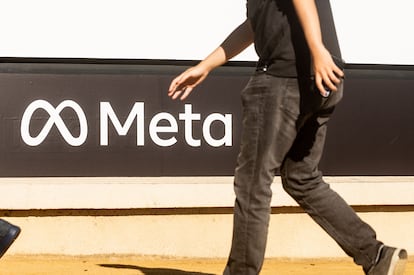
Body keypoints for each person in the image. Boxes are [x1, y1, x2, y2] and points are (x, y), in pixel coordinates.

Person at [168, 0, 407, 274]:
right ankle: (375, 256)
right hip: (321, 79)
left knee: (252, 183)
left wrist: (317, 50)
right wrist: (206, 66)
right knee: (301, 177)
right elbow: (254, 26)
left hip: (285, 79)